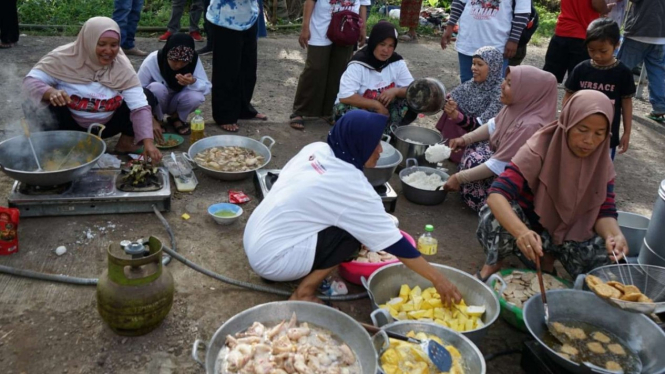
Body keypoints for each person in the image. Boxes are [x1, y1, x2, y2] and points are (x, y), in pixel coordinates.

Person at [243, 110, 462, 305]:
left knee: (339, 223)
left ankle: (286, 270)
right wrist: (438, 279)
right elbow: (395, 242)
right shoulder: (351, 186)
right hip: (273, 260)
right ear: (358, 145)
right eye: (373, 144)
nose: (379, 150)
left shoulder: (317, 149)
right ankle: (304, 292)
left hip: (256, 238)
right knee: (350, 236)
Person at [476, 90, 628, 282]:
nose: (589, 141)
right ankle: (493, 264)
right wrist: (521, 232)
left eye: (599, 133)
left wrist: (614, 236)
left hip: (571, 234)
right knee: (492, 215)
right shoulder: (539, 147)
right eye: (582, 129)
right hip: (532, 231)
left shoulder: (601, 161)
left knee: (611, 261)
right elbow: (497, 194)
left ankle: (580, 288)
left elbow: (604, 210)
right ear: (568, 123)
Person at [22, 17, 162, 163]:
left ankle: (126, 143)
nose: (108, 51)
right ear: (88, 41)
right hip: (69, 126)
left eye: (114, 45)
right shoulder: (63, 58)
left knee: (146, 96)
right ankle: (52, 148)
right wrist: (51, 92)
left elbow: (139, 106)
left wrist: (148, 143)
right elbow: (30, 82)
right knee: (32, 104)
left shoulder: (122, 67)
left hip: (105, 127)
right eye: (101, 44)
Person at [445, 66, 558, 212]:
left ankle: (487, 204)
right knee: (474, 147)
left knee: (474, 161)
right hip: (502, 158)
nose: (502, 85)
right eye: (506, 80)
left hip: (515, 178)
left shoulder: (531, 125)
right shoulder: (517, 106)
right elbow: (493, 125)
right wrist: (465, 139)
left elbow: (500, 164)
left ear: (528, 92)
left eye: (510, 84)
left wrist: (459, 178)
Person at [288, 0, 369, 130]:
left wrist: (362, 28)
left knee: (339, 69)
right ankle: (300, 111)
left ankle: (328, 111)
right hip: (320, 27)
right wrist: (305, 27)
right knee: (315, 67)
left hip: (348, 26)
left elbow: (363, 4)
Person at [564, 18, 635, 160]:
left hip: (607, 136)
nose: (597, 55)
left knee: (602, 171)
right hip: (579, 132)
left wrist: (627, 132)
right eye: (591, 50)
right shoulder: (581, 69)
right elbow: (568, 96)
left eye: (603, 51)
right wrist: (565, 122)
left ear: (617, 45)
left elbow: (627, 103)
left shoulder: (623, 73)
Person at [332, 22, 416, 129]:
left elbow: (413, 89)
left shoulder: (396, 62)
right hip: (362, 108)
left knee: (411, 101)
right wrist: (376, 105)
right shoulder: (358, 64)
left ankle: (390, 130)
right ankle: (362, 135)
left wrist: (396, 91)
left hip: (386, 109)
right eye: (382, 44)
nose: (386, 50)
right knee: (342, 109)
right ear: (373, 42)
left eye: (391, 46)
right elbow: (345, 96)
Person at [435, 46, 504, 164]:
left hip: (480, 137)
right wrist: (446, 104)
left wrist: (457, 115)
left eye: (479, 64)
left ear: (493, 67)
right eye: (473, 63)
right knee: (453, 106)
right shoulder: (471, 84)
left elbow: (483, 127)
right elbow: (447, 98)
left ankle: (463, 157)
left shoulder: (500, 91)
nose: (474, 68)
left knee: (455, 112)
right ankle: (450, 150)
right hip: (465, 129)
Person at [207, 0, 268, 132]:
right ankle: (224, 115)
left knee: (248, 68)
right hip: (225, 17)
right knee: (227, 69)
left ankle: (243, 108)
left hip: (249, 16)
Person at [138, 33, 211, 137]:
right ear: (167, 53)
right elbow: (138, 89)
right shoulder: (153, 59)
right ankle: (157, 119)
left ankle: (177, 118)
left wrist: (193, 82)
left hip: (178, 100)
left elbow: (207, 87)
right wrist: (150, 118)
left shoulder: (193, 60)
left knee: (196, 96)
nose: (178, 65)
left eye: (184, 62)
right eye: (175, 60)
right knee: (156, 87)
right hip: (157, 102)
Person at [440, 0, 531, 83]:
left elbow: (522, 12)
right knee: (467, 84)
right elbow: (459, 2)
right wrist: (450, 26)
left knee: (496, 87)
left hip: (497, 44)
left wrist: (514, 39)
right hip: (468, 40)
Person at [617, 0, 665, 123]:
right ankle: (659, 107)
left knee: (621, 69)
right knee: (657, 73)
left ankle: (614, 99)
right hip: (660, 36)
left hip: (638, 31)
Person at [542, 0, 612, 83]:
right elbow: (597, 5)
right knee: (579, 82)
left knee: (549, 78)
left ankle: (542, 96)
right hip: (582, 35)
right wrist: (606, 9)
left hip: (561, 32)